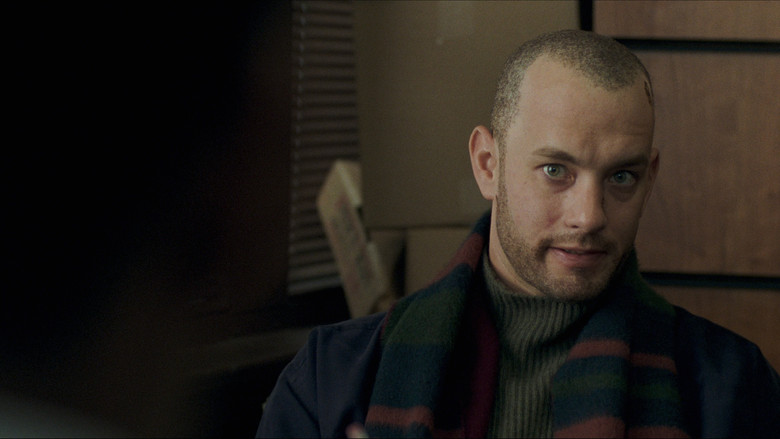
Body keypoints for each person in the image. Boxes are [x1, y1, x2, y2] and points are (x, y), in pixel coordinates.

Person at [256, 29, 780, 438]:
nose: (589, 216)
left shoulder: (732, 387)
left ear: (650, 177)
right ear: (488, 165)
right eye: (556, 171)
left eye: (622, 176)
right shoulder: (332, 379)